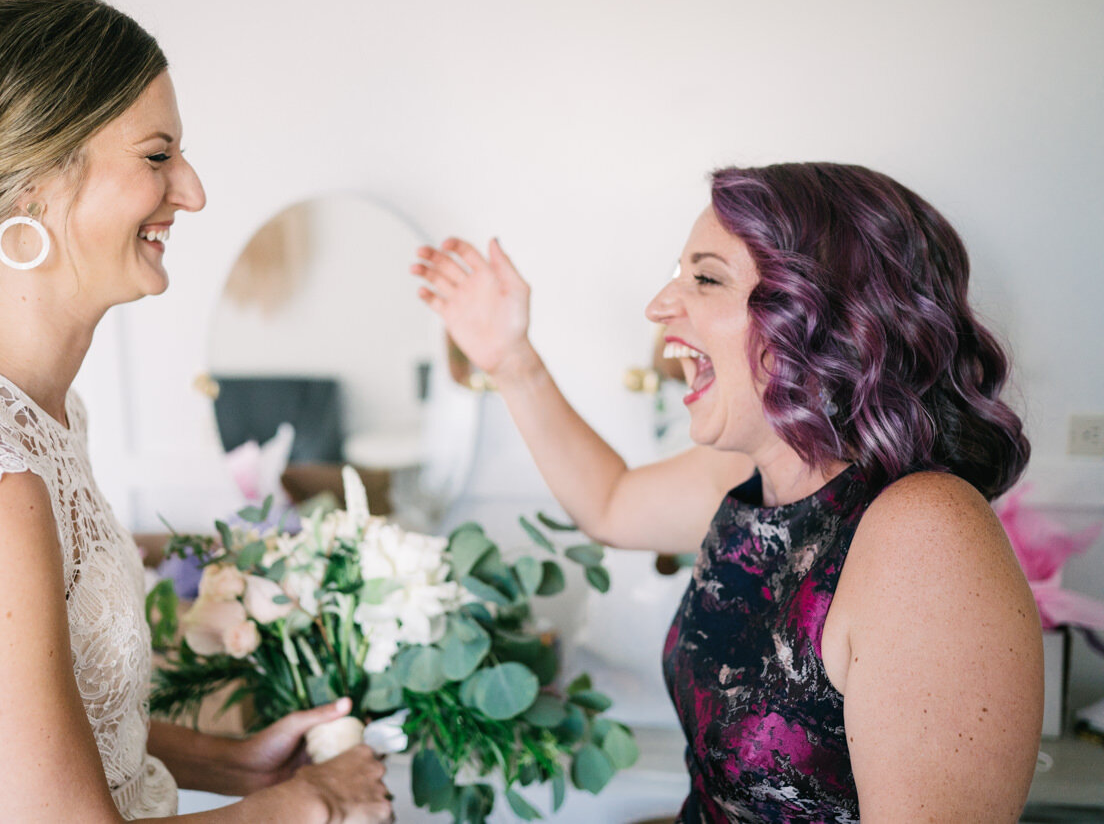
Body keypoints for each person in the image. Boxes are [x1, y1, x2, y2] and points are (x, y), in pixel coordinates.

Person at [0, 0, 392, 823]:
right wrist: (310, 804)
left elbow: (23, 719)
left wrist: (231, 763)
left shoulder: (42, 420)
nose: (193, 191)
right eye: (157, 155)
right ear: (34, 183)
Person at [411, 162, 1043, 822]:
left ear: (827, 316)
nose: (659, 306)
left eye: (706, 278)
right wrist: (510, 359)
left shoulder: (926, 534)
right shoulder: (757, 482)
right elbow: (609, 504)